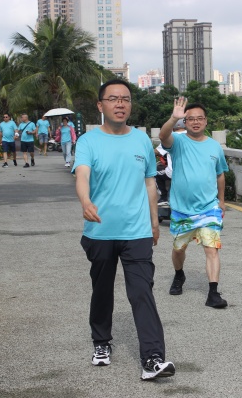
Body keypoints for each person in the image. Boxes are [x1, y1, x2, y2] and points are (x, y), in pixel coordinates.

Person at [72, 79, 175, 380]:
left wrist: (154, 222)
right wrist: (85, 201)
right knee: (102, 290)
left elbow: (150, 184)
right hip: (100, 231)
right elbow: (82, 175)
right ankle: (101, 342)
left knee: (142, 292)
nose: (120, 104)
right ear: (100, 105)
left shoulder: (141, 140)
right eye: (113, 98)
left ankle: (153, 358)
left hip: (137, 231)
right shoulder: (88, 142)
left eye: (126, 99)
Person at [158, 98, 229, 308]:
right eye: (191, 119)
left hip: (209, 208)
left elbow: (220, 175)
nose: (196, 122)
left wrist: (221, 201)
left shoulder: (214, 146)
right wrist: (173, 118)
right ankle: (179, 274)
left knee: (212, 248)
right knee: (179, 249)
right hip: (182, 209)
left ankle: (213, 293)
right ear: (185, 122)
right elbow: (163, 136)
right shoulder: (178, 142)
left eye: (200, 118)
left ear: (206, 121)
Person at [155, 119, 186, 205]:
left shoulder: (170, 137)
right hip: (188, 172)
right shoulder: (191, 137)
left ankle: (164, 197)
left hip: (173, 173)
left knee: (155, 172)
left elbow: (156, 152)